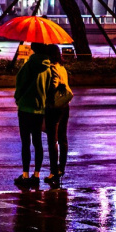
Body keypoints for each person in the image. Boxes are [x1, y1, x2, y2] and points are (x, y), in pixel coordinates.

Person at [13, 42, 50, 187]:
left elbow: (19, 83)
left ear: (33, 49)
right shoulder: (48, 68)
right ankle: (37, 174)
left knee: (26, 143)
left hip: (25, 109)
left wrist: (18, 99)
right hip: (39, 109)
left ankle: (25, 174)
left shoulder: (28, 66)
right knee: (38, 142)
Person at [44, 43, 71, 184]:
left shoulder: (53, 68)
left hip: (54, 106)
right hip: (65, 105)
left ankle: (53, 172)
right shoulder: (62, 68)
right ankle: (61, 169)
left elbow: (53, 86)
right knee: (62, 138)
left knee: (52, 140)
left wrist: (47, 97)